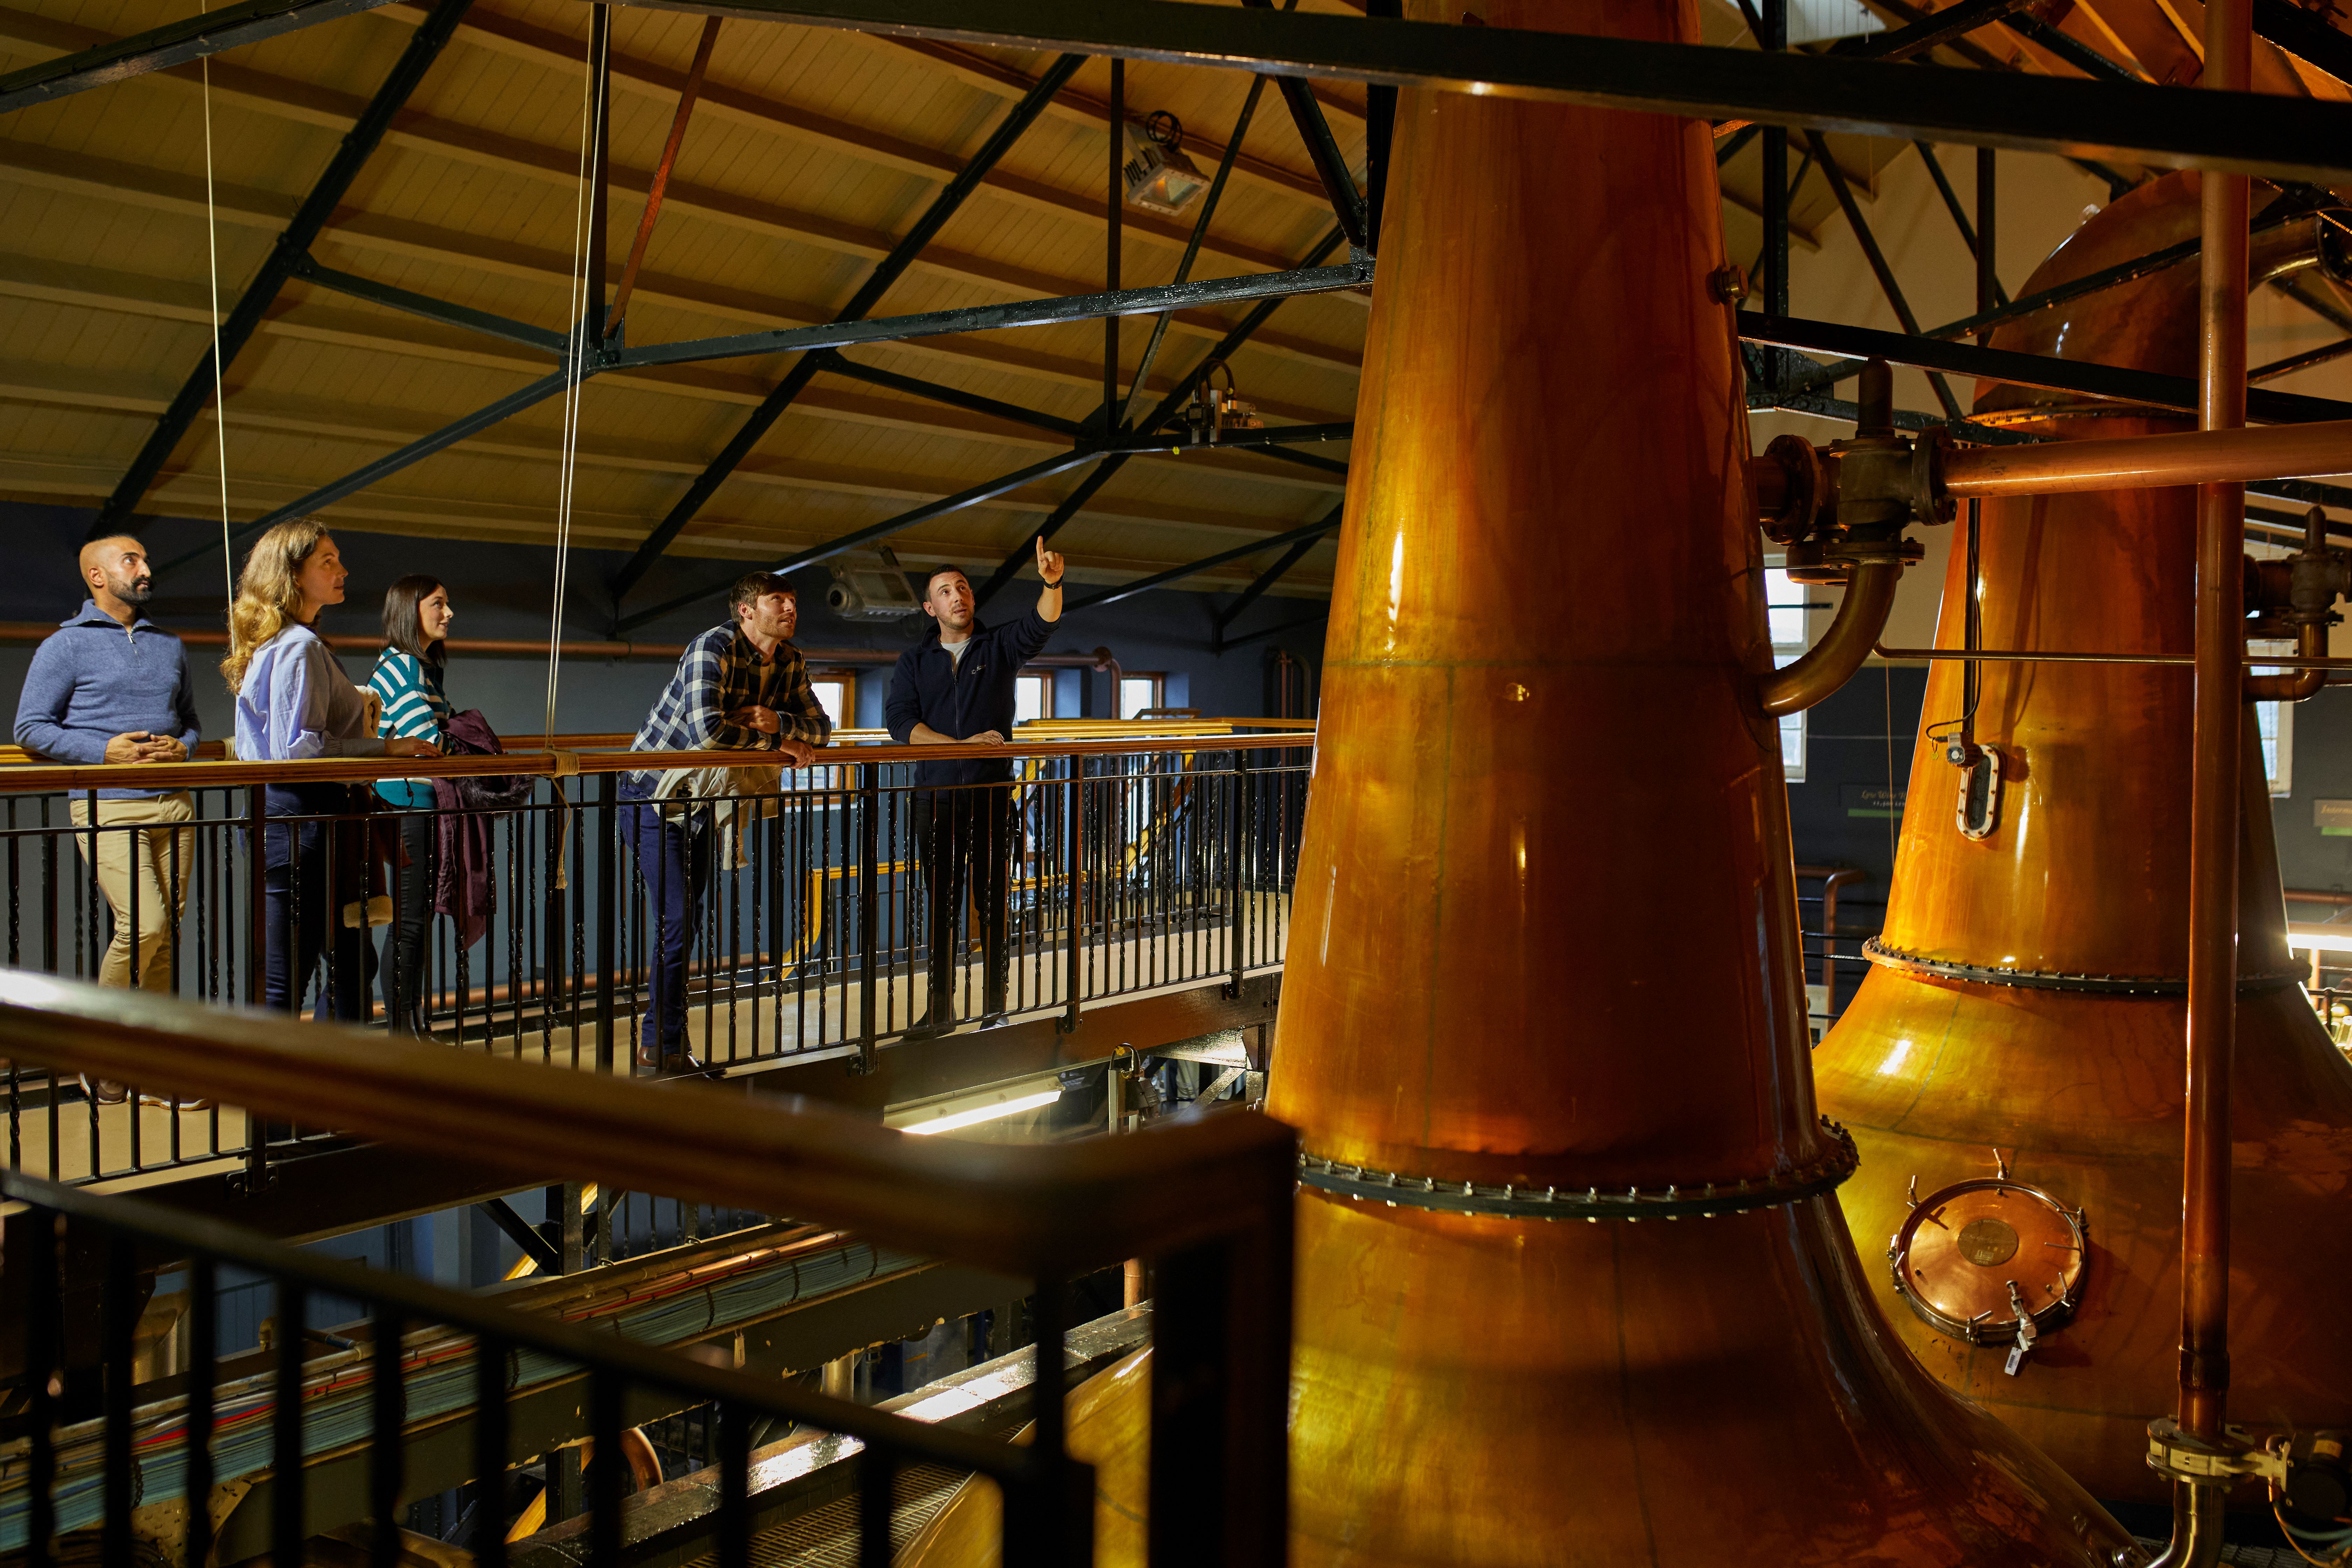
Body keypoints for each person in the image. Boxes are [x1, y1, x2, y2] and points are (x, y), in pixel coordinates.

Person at [222, 520, 439, 1022]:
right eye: (327, 561)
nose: (342, 570)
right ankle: (289, 1096)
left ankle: (315, 1086)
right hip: (301, 821)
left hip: (290, 820)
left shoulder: (288, 642)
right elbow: (298, 752)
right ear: (293, 575)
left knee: (336, 964)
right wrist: (384, 748)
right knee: (289, 978)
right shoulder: (299, 646)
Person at [15, 536, 204, 1104]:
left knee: (166, 937)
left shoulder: (168, 644)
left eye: (146, 559)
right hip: (109, 804)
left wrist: (185, 749)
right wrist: (104, 753)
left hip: (176, 803)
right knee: (144, 926)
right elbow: (31, 729)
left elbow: (191, 721)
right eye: (132, 561)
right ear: (97, 576)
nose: (146, 569)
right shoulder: (64, 647)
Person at [619, 572, 828, 1071]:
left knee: (683, 926)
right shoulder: (712, 648)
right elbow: (708, 733)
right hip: (652, 798)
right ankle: (661, 1046)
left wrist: (781, 724)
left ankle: (667, 1045)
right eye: (776, 600)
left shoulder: (792, 661)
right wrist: (777, 744)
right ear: (746, 611)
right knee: (678, 923)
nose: (788, 609)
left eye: (793, 601)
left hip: (701, 805)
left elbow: (822, 727)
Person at [884, 537, 1066, 1038]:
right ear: (931, 607)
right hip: (936, 801)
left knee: (992, 904)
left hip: (990, 797)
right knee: (942, 904)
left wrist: (1051, 583)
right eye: (945, 591)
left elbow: (1042, 623)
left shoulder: (998, 647)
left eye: (962, 587)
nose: (957, 595)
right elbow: (900, 723)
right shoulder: (914, 662)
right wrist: (960, 746)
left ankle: (994, 1009)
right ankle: (940, 1010)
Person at [369, 576, 455, 1036]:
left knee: (413, 922)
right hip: (407, 803)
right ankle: (403, 1033)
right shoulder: (404, 667)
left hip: (415, 802)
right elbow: (433, 743)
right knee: (408, 924)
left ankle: (411, 1027)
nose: (448, 613)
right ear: (410, 609)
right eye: (439, 604)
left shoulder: (414, 666)